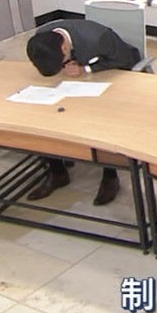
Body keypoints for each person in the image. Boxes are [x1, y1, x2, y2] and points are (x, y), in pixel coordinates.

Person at [25, 19, 142, 205]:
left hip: (109, 77)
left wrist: (86, 69)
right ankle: (57, 173)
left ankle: (110, 176)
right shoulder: (41, 38)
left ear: (64, 47)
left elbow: (126, 60)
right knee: (43, 117)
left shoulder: (98, 38)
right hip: (71, 84)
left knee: (100, 119)